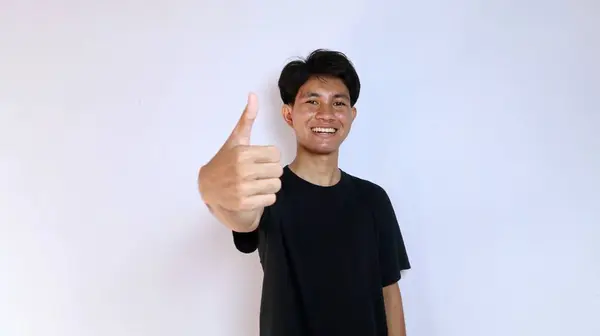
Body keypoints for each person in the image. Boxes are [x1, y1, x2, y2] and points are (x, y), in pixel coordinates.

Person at [197, 49, 411, 336]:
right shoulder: (268, 190)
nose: (326, 114)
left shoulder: (373, 199)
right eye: (312, 101)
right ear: (288, 114)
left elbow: (389, 292)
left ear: (351, 115)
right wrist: (208, 186)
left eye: (338, 103)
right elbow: (241, 219)